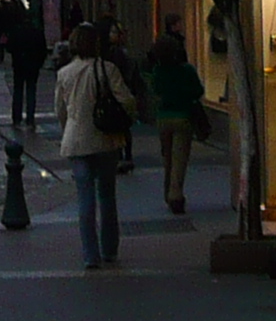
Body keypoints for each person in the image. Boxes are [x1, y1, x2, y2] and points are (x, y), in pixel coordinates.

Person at [55, 21, 131, 268]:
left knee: (84, 198)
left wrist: (68, 128)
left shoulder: (64, 74)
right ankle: (109, 249)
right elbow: (126, 100)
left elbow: (61, 110)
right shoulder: (107, 69)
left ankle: (90, 255)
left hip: (76, 140)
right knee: (107, 196)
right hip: (105, 139)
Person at [145, 28, 206, 212]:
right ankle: (175, 195)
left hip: (164, 117)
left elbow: (154, 90)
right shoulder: (187, 70)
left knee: (168, 157)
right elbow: (198, 91)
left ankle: (167, 191)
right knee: (180, 158)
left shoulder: (158, 71)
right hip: (183, 116)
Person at [8, 10, 48, 127]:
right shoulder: (37, 32)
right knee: (31, 91)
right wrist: (39, 63)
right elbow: (43, 50)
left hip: (19, 65)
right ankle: (30, 118)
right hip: (33, 66)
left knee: (18, 91)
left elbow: (10, 47)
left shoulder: (16, 31)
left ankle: (17, 118)